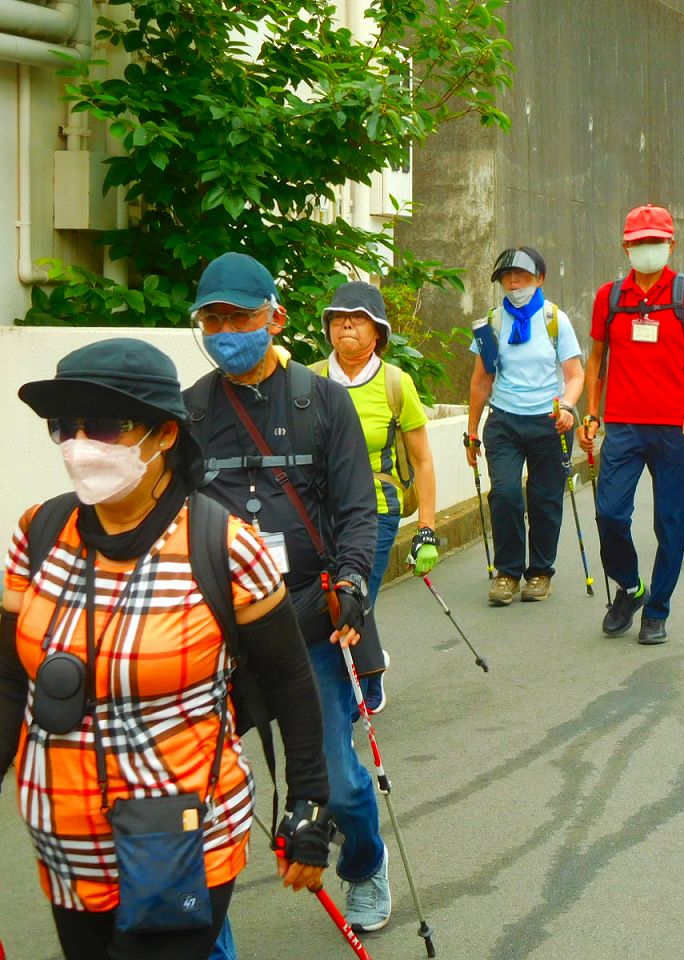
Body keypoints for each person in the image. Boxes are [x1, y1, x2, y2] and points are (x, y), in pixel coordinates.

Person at [1, 339, 331, 960]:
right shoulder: (38, 534)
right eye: (63, 426)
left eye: (103, 424)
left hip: (177, 839)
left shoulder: (224, 547)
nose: (79, 443)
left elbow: (290, 681)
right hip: (65, 840)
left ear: (163, 435)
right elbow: (9, 683)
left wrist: (309, 807)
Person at [183, 253, 392, 934]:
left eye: (239, 317)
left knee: (339, 781)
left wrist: (356, 578)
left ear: (274, 317)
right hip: (221, 631)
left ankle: (363, 863)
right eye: (211, 319)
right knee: (187, 784)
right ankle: (196, 916)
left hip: (308, 621)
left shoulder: (322, 401)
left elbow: (359, 508)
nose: (225, 330)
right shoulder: (189, 412)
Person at [578, 204, 684, 645]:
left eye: (655, 242)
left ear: (671, 244)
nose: (647, 249)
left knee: (671, 523)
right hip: (622, 424)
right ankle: (630, 585)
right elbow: (596, 358)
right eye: (639, 243)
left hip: (675, 428)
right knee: (609, 513)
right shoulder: (610, 297)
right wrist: (592, 412)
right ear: (626, 246)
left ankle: (657, 609)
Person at [311, 281, 438, 714]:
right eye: (338, 317)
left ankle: (357, 686)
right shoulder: (308, 380)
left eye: (358, 317)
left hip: (377, 511)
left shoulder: (394, 384)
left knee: (356, 594)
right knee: (325, 598)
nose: (346, 323)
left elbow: (422, 461)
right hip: (319, 510)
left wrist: (427, 530)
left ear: (377, 332)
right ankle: (364, 665)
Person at [466, 246, 585, 605]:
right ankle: (507, 572)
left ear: (540, 279)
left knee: (545, 498)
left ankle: (540, 572)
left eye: (522, 276)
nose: (514, 282)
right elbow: (480, 381)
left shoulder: (554, 320)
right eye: (507, 276)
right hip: (503, 421)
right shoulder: (492, 323)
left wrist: (566, 406)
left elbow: (575, 375)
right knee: (505, 494)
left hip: (549, 422)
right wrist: (471, 431)